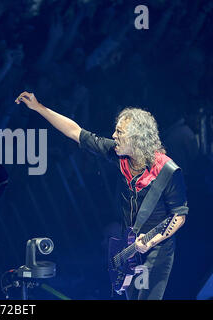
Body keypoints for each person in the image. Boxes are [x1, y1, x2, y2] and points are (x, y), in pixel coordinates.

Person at [15, 91, 188, 300]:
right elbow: (75, 132)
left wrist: (150, 242)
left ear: (136, 138)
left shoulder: (167, 171)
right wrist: (39, 108)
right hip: (129, 246)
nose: (114, 136)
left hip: (157, 248)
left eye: (119, 132)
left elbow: (179, 215)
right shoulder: (119, 155)